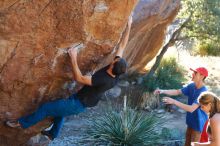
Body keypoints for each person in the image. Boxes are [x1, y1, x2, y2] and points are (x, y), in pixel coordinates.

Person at [6, 16, 132, 140]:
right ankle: (53, 134)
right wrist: (129, 25)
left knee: (46, 108)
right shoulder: (116, 72)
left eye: (116, 60)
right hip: (79, 99)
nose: (116, 58)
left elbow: (80, 78)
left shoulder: (104, 79)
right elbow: (122, 46)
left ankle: (22, 123)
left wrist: (73, 58)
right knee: (61, 111)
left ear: (112, 66)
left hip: (78, 104)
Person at [154, 67, 209, 146]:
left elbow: (191, 109)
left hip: (199, 126)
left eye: (195, 73)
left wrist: (174, 101)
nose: (192, 74)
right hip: (191, 123)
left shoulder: (203, 92)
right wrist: (162, 91)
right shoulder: (191, 86)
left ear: (202, 76)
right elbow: (177, 91)